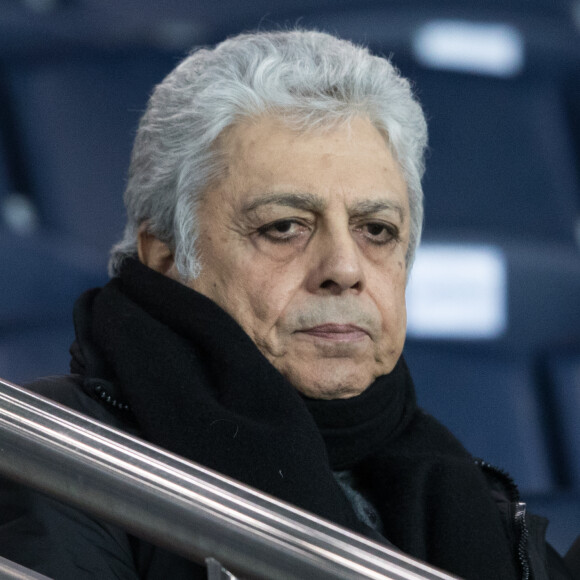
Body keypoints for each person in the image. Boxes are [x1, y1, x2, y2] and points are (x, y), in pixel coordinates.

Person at [0, 29, 575, 580]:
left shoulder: (467, 503)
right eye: (284, 227)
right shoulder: (47, 458)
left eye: (376, 230)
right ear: (165, 257)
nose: (345, 270)